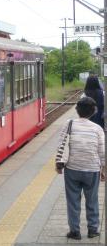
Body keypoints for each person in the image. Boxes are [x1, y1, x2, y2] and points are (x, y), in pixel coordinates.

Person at [56, 97, 105, 240]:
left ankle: (75, 231)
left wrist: (59, 164)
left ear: (77, 110)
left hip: (72, 169)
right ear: (94, 111)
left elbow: (61, 144)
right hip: (92, 170)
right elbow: (102, 151)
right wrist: (104, 170)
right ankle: (93, 230)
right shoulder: (98, 129)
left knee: (73, 200)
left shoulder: (69, 123)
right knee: (92, 200)